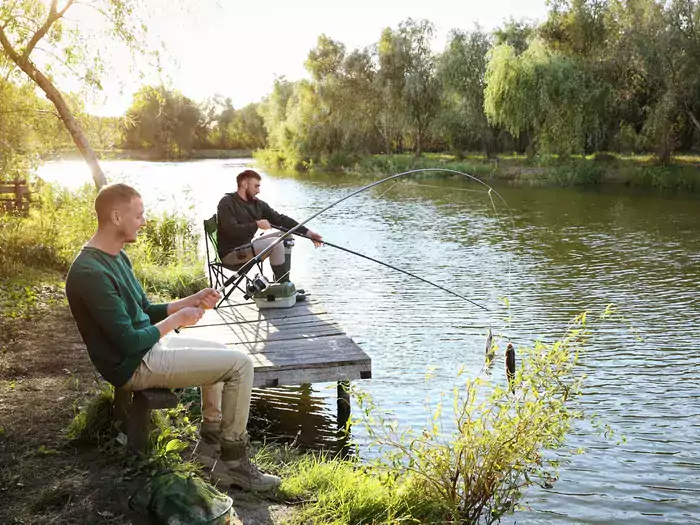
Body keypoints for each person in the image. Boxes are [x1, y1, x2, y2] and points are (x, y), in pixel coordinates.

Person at [65, 183, 280, 492]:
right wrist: (177, 320)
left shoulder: (117, 257)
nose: (145, 221)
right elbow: (127, 342)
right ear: (115, 216)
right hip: (132, 364)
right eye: (138, 215)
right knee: (241, 365)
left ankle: (209, 447)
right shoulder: (90, 272)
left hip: (147, 349)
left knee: (222, 352)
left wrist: (190, 300)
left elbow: (145, 310)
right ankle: (234, 462)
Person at [217, 169, 323, 285]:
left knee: (286, 236)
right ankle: (282, 286)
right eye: (256, 186)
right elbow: (231, 231)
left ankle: (285, 284)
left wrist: (308, 233)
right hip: (231, 255)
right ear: (244, 184)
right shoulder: (227, 202)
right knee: (275, 243)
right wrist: (256, 225)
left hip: (247, 246)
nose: (258, 191)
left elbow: (280, 219)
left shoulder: (257, 204)